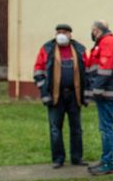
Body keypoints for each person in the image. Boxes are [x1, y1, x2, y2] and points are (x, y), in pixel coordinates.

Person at [34, 23, 89, 168]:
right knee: (55, 129)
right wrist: (45, 92)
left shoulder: (80, 49)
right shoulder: (46, 49)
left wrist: (86, 94)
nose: (61, 35)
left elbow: (87, 72)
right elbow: (38, 71)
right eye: (58, 32)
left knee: (76, 129)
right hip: (55, 96)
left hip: (74, 95)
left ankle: (77, 158)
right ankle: (58, 159)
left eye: (64, 32)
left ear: (70, 34)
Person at [87, 20, 113, 175]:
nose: (92, 33)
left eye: (93, 30)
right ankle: (105, 160)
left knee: (106, 128)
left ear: (97, 30)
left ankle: (108, 163)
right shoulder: (104, 42)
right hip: (106, 92)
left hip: (107, 93)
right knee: (105, 127)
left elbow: (105, 67)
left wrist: (97, 89)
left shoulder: (107, 42)